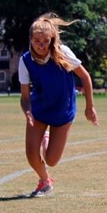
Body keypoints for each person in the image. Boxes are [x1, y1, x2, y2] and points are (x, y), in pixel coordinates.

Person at [19, 13, 98, 197]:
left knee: (52, 160)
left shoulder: (63, 53)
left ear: (52, 39)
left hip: (63, 111)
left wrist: (90, 107)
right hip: (39, 109)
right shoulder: (25, 61)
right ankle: (45, 182)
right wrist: (27, 110)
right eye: (37, 41)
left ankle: (46, 138)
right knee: (31, 154)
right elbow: (24, 97)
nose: (41, 45)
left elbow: (85, 77)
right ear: (31, 39)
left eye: (45, 41)